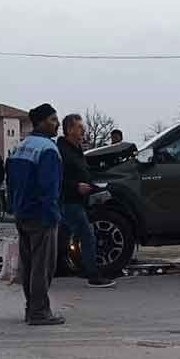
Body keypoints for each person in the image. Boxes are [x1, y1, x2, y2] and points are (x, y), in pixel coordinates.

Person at [8, 104, 65, 325]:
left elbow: (11, 183)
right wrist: (53, 215)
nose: (57, 123)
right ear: (40, 122)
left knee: (29, 264)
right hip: (42, 215)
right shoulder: (48, 149)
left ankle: (31, 307)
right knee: (43, 266)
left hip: (22, 213)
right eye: (52, 119)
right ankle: (39, 312)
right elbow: (49, 187)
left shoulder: (21, 147)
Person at [59, 113, 115, 288]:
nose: (83, 130)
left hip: (78, 200)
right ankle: (92, 275)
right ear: (69, 129)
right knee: (87, 235)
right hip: (68, 201)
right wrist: (76, 187)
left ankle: (56, 268)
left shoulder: (76, 149)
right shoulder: (61, 151)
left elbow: (82, 171)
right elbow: (57, 179)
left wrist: (94, 187)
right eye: (79, 127)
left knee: (62, 237)